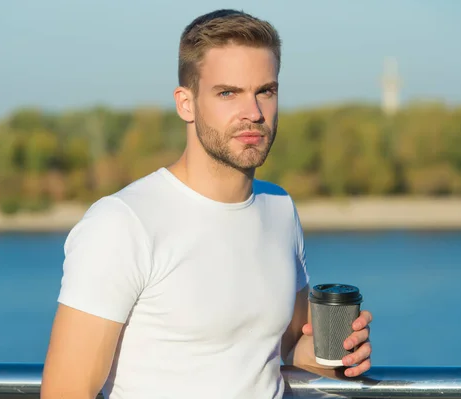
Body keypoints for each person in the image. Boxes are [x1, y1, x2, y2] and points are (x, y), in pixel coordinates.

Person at [41, 9, 372, 399]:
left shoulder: (279, 208)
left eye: (265, 90)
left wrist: (341, 355)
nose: (254, 113)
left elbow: (282, 348)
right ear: (186, 103)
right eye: (228, 93)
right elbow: (65, 391)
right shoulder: (123, 222)